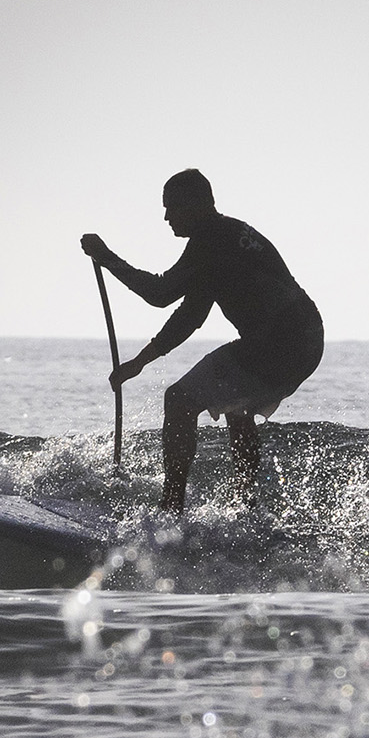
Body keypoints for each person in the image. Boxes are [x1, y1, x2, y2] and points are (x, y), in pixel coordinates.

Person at [81, 170, 323, 514]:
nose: (166, 217)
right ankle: (244, 508)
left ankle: (171, 511)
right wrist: (139, 362)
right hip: (307, 342)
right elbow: (191, 316)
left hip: (277, 342)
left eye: (173, 207)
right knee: (238, 407)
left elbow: (160, 293)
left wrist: (108, 259)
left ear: (198, 204)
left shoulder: (211, 238)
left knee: (179, 400)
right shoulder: (227, 237)